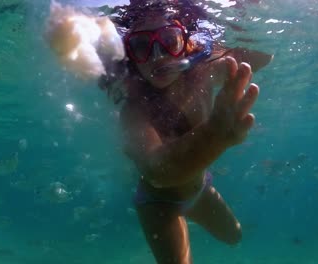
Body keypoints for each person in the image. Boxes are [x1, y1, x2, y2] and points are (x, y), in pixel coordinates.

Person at [97, 0, 273, 263]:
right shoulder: (135, 111)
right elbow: (158, 172)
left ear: (187, 43)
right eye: (142, 46)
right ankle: (178, 221)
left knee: (235, 236)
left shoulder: (202, 73)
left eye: (170, 40)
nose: (157, 56)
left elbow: (264, 55)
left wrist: (242, 20)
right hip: (158, 204)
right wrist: (214, 134)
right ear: (129, 54)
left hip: (200, 188)